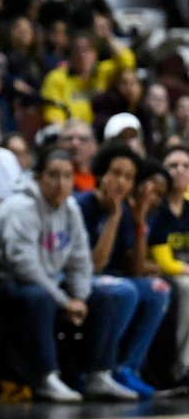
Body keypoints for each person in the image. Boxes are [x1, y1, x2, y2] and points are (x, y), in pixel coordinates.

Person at [0, 148, 141, 402]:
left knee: (106, 297)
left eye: (67, 176)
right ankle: (45, 377)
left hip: (48, 280)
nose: (61, 183)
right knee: (40, 298)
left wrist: (79, 297)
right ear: (38, 178)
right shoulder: (21, 208)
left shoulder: (70, 208)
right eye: (53, 175)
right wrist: (65, 302)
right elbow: (24, 268)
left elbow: (80, 260)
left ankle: (97, 374)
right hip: (6, 284)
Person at [75, 144, 171, 398]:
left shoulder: (129, 210)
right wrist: (115, 216)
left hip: (112, 278)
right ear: (101, 174)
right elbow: (94, 265)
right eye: (115, 173)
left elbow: (137, 269)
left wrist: (139, 223)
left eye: (128, 178)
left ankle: (127, 368)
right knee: (125, 290)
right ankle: (97, 370)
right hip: (79, 278)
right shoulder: (82, 205)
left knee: (157, 289)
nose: (121, 182)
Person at [150, 145, 189, 386]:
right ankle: (183, 365)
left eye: (186, 166)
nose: (180, 171)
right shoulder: (157, 209)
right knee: (186, 287)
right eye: (173, 166)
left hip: (182, 270)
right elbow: (163, 260)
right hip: (160, 272)